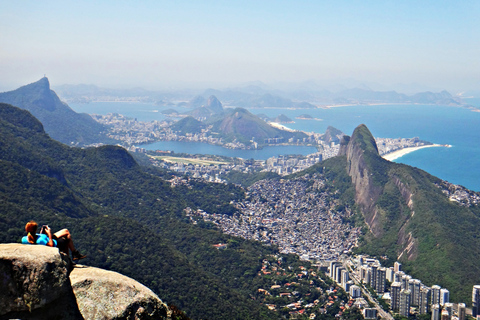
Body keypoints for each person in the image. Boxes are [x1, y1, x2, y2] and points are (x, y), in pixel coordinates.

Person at [21, 220, 86, 261]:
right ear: (35, 230)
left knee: (65, 231)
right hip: (55, 243)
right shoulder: (40, 241)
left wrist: (41, 233)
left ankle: (73, 255)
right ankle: (72, 255)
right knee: (66, 238)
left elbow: (35, 239)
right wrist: (49, 233)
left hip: (46, 238)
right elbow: (51, 245)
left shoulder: (24, 239)